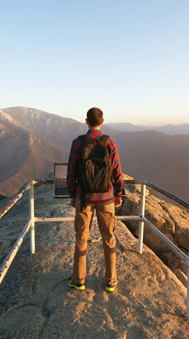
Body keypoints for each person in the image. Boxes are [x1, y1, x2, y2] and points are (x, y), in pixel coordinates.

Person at [66, 107, 124, 292]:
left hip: (84, 198)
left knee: (81, 238)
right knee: (109, 238)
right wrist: (118, 193)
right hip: (106, 197)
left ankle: (79, 280)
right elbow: (116, 170)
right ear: (102, 121)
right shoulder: (110, 142)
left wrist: (73, 195)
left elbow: (71, 172)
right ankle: (110, 281)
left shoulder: (78, 143)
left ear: (86, 121)